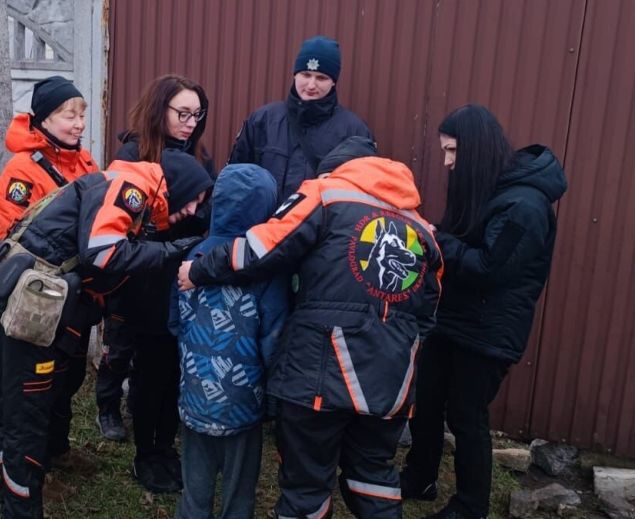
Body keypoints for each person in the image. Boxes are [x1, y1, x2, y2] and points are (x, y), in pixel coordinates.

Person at [178, 140, 443, 519]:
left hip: (320, 372)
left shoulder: (326, 193)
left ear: (334, 169)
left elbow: (261, 247)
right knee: (374, 474)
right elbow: (429, 312)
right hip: (391, 377)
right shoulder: (421, 228)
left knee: (306, 481)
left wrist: (199, 270)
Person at [0, 149, 212, 518]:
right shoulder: (134, 186)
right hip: (23, 311)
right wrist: (168, 252)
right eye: (196, 197)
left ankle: (47, 466)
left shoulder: (127, 191)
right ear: (177, 184)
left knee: (42, 405)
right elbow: (102, 253)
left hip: (30, 307)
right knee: (24, 422)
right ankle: (20, 509)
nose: (195, 209)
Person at [400, 105, 568, 519]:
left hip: (490, 332)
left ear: (475, 149)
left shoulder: (525, 206)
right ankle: (419, 476)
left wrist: (438, 241)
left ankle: (470, 506)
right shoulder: (489, 190)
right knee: (426, 398)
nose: (447, 162)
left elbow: (489, 268)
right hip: (455, 320)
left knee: (465, 415)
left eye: (452, 151)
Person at [0, 76, 100, 498]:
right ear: (44, 118)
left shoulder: (85, 164)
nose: (79, 123)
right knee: (30, 389)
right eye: (69, 115)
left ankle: (57, 449)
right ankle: (28, 467)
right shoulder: (22, 170)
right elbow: (15, 238)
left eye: (82, 114)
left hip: (76, 294)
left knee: (67, 376)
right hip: (38, 300)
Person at [101, 74, 215, 493]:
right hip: (146, 284)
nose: (190, 122)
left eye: (197, 114)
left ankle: (167, 447)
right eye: (181, 113)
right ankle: (146, 453)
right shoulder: (132, 156)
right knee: (149, 371)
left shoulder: (200, 158)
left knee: (173, 370)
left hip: (187, 282)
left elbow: (210, 214)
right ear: (158, 110)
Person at [169, 163, 289, 519]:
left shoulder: (192, 257)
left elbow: (173, 322)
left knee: (195, 488)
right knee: (239, 491)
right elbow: (274, 336)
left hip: (195, 392)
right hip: (244, 401)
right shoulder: (266, 268)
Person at [229, 35, 372, 203]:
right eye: (306, 74)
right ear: (295, 75)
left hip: (320, 228)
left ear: (333, 82)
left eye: (321, 78)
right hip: (262, 228)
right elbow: (234, 183)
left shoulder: (355, 132)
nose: (311, 85)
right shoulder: (262, 120)